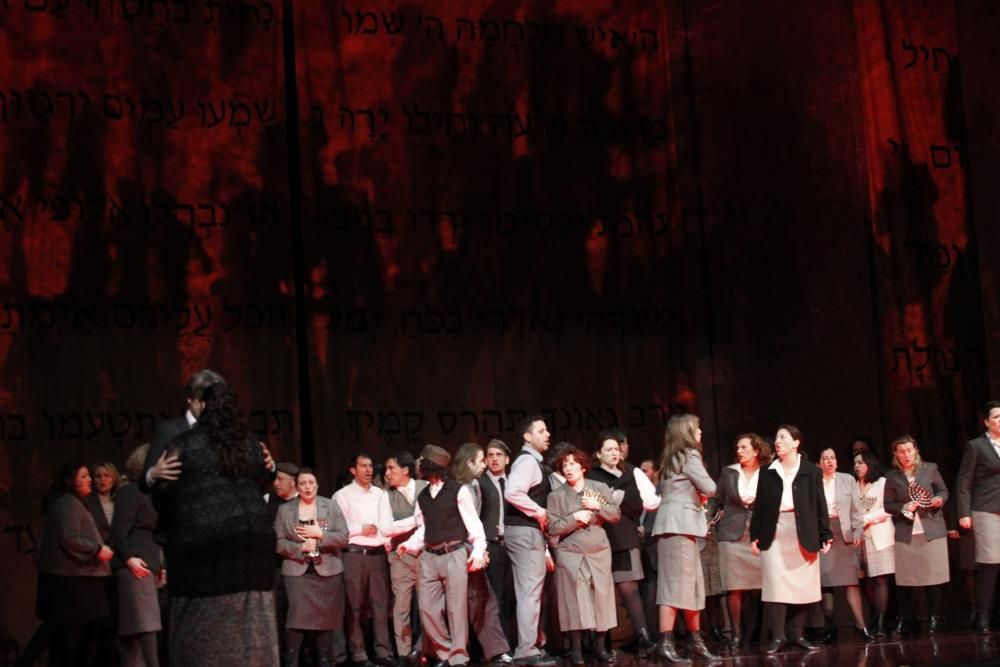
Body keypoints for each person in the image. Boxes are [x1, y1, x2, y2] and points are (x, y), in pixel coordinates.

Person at [152, 380, 279, 666]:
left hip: (201, 555)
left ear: (204, 407)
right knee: (254, 635)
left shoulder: (185, 443)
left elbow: (162, 492)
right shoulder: (252, 444)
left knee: (202, 641)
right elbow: (264, 482)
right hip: (252, 551)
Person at [398, 445, 488, 667]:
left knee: (456, 609)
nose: (418, 466)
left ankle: (458, 657)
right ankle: (446, 652)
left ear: (432, 466)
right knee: (427, 609)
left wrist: (478, 551)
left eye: (422, 462)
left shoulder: (458, 491)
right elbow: (423, 529)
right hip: (429, 556)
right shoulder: (423, 495)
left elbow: (474, 526)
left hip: (453, 553)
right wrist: (408, 545)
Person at [749, 425, 832, 656]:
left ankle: (797, 634)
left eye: (783, 437)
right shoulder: (767, 471)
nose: (778, 441)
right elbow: (760, 508)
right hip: (775, 532)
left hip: (803, 531)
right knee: (775, 584)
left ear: (796, 442)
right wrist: (754, 535)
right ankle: (778, 636)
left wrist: (826, 533)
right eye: (776, 437)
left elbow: (820, 505)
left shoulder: (810, 471)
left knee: (802, 585)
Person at [651, 414, 720, 663]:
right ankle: (666, 643)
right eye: (697, 428)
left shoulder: (669, 459)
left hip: (677, 527)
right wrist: (700, 493)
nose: (700, 432)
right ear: (687, 431)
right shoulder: (690, 455)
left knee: (691, 586)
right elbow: (711, 487)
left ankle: (695, 641)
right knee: (675, 587)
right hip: (678, 527)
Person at [586, 432, 659, 656]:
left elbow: (637, 506)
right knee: (600, 592)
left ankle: (644, 637)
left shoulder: (629, 474)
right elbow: (593, 502)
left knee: (630, 588)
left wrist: (614, 497)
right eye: (608, 449)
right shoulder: (592, 476)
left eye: (617, 449)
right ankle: (600, 644)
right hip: (600, 537)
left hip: (625, 537)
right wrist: (614, 499)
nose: (614, 453)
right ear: (599, 453)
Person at [546, 446, 621, 666]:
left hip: (598, 550)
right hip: (571, 553)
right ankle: (576, 649)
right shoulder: (556, 496)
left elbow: (615, 515)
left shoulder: (598, 488)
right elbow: (553, 527)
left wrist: (598, 507)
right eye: (564, 465)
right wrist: (575, 518)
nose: (568, 468)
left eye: (572, 464)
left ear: (582, 466)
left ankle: (599, 648)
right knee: (574, 600)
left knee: (601, 598)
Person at [36, 462, 115, 667]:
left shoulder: (72, 502)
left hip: (77, 578)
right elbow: (70, 538)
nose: (90, 480)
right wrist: (98, 549)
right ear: (70, 481)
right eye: (84, 476)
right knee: (71, 632)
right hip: (74, 579)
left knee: (74, 631)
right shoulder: (67, 503)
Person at [275, 467, 350, 667]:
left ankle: (325, 659)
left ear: (317, 484)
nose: (308, 487)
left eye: (311, 483)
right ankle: (292, 659)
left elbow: (343, 537)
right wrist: (300, 548)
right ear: (297, 486)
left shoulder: (331, 506)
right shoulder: (285, 510)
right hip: (297, 572)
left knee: (326, 620)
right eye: (303, 483)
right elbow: (278, 543)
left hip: (327, 571)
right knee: (296, 619)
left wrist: (320, 535)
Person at [451, 443, 514, 664]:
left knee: (484, 601)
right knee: (451, 605)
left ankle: (495, 650)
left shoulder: (475, 486)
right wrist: (477, 549)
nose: (487, 463)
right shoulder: (458, 489)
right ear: (470, 463)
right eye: (482, 459)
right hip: (458, 552)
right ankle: (432, 651)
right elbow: (463, 525)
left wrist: (479, 548)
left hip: (473, 549)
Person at [504, 417, 560, 666]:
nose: (547, 433)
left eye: (547, 429)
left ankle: (533, 644)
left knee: (531, 592)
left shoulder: (533, 462)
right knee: (529, 593)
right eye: (541, 430)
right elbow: (512, 491)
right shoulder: (527, 462)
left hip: (526, 533)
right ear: (527, 437)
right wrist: (540, 512)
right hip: (525, 532)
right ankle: (526, 650)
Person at [708, 433, 771, 650]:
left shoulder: (768, 471)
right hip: (731, 536)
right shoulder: (729, 472)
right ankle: (736, 634)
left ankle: (752, 633)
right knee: (734, 588)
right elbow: (716, 499)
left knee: (757, 588)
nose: (739, 451)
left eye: (744, 447)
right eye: (737, 447)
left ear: (756, 450)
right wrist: (707, 518)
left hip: (758, 534)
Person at [884, 435, 949, 635]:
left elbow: (943, 491)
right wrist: (903, 506)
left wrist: (939, 499)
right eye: (902, 451)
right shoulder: (891, 477)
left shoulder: (930, 469)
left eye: (909, 450)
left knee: (934, 577)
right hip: (907, 532)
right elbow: (888, 505)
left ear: (916, 450)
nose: (906, 455)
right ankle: (907, 618)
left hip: (932, 529)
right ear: (896, 454)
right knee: (906, 579)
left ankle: (934, 618)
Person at [332, 454, 393, 667]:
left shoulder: (380, 494)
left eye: (370, 466)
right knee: (354, 606)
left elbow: (387, 522)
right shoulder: (342, 495)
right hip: (354, 554)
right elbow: (336, 529)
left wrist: (387, 540)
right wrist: (360, 529)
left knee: (380, 605)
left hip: (377, 555)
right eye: (363, 466)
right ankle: (358, 654)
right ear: (353, 470)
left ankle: (383, 652)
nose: (368, 470)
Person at [112, 445, 163, 667]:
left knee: (135, 636)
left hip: (148, 564)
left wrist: (161, 565)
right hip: (133, 565)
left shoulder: (155, 493)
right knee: (145, 625)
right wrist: (130, 558)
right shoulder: (129, 491)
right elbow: (119, 530)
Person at [378, 451, 429, 663]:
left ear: (406, 470)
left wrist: (419, 523)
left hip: (427, 554)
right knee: (402, 607)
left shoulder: (424, 487)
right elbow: (386, 528)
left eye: (392, 468)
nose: (387, 473)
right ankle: (404, 654)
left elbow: (432, 519)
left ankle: (427, 649)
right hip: (400, 558)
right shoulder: (385, 495)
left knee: (429, 606)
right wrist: (416, 521)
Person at [141, 369, 226, 491]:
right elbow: (143, 482)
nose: (210, 406)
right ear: (190, 400)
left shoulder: (224, 430)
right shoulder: (169, 430)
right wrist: (153, 474)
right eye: (203, 401)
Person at [956, 400, 1000, 634]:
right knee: (990, 563)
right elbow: (964, 481)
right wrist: (964, 513)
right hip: (986, 509)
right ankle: (983, 616)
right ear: (986, 422)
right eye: (996, 417)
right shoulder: (976, 446)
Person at [816, 448, 869, 641]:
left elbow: (857, 509)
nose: (830, 461)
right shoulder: (814, 481)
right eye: (825, 458)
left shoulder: (847, 479)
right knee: (826, 582)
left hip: (844, 531)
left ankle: (861, 625)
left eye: (833, 457)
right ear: (819, 463)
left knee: (850, 581)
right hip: (824, 532)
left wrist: (858, 531)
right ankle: (830, 626)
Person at [853, 450, 894, 637]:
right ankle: (873, 618)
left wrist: (867, 518)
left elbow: (888, 509)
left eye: (861, 462)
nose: (857, 466)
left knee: (880, 579)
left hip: (879, 536)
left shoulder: (882, 483)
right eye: (855, 463)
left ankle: (880, 622)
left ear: (869, 463)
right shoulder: (853, 486)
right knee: (865, 581)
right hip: (859, 540)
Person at [481, 439, 514, 642]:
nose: (494, 459)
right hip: (490, 545)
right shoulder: (480, 483)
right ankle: (498, 647)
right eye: (490, 455)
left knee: (512, 597)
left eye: (498, 455)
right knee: (495, 597)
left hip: (512, 545)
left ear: (507, 459)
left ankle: (513, 643)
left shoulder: (514, 482)